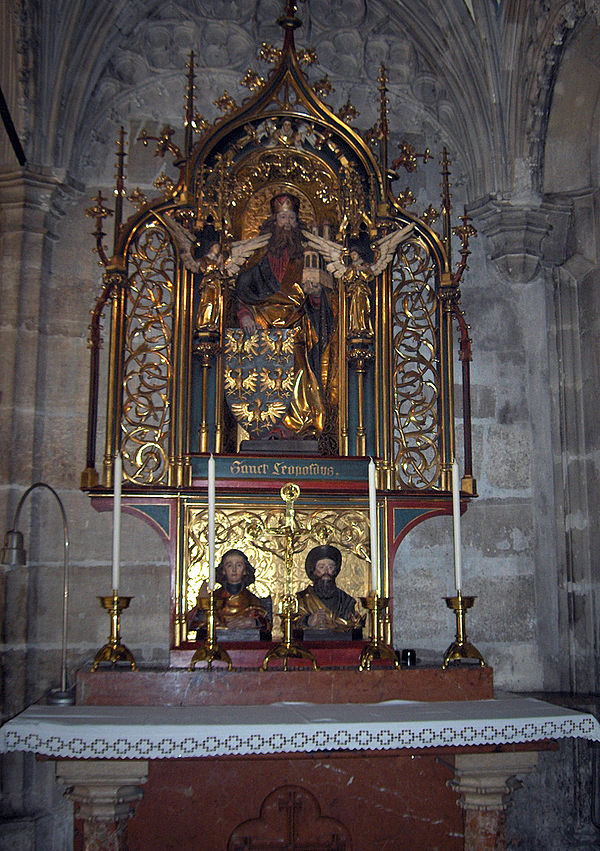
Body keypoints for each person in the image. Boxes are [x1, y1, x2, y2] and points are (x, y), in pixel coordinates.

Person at [234, 193, 336, 438]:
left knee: (300, 375)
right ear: (274, 220)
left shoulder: (306, 258)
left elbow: (320, 304)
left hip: (296, 329)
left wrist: (315, 296)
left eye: (291, 217)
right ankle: (269, 428)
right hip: (263, 328)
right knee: (264, 377)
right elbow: (242, 292)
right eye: (283, 217)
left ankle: (299, 429)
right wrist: (245, 315)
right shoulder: (259, 257)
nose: (287, 223)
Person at [188, 549, 272, 633]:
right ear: (223, 570)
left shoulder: (253, 601)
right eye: (229, 565)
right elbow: (195, 625)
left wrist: (253, 622)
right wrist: (203, 607)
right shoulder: (214, 599)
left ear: (245, 570)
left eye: (239, 565)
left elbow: (266, 626)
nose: (234, 570)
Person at [295, 544, 364, 632]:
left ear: (335, 571)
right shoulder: (302, 599)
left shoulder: (346, 601)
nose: (326, 572)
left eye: (330, 567)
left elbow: (354, 625)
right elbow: (290, 625)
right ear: (314, 570)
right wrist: (307, 621)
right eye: (321, 567)